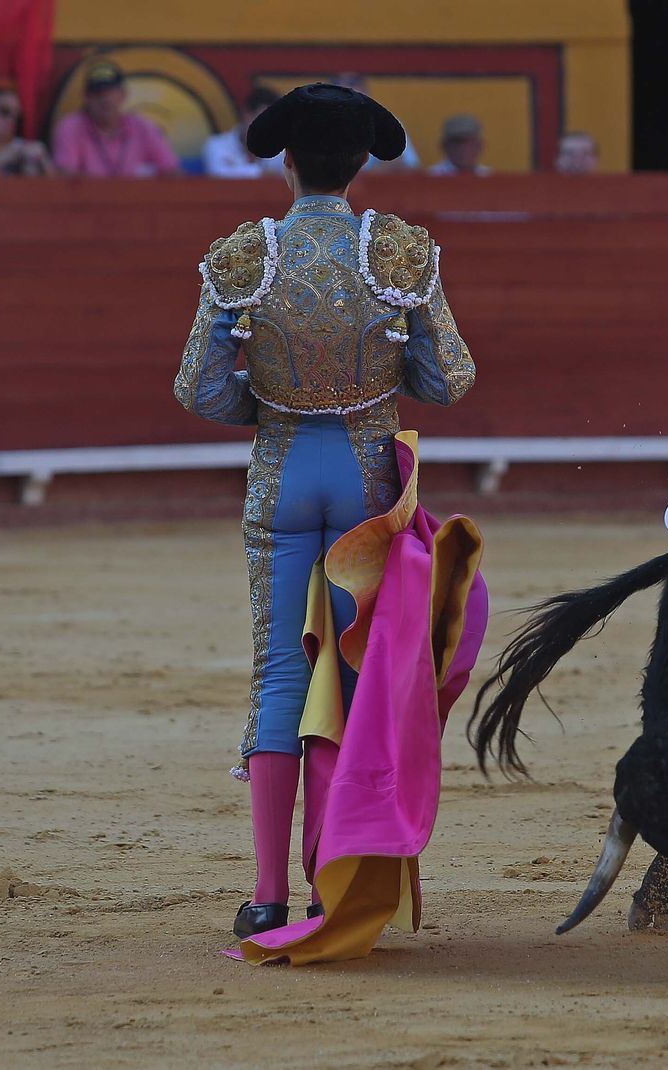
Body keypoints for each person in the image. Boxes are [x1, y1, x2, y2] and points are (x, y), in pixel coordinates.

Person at [172, 83, 476, 942]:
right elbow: (448, 377)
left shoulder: (242, 257)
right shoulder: (401, 254)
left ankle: (266, 896)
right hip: (366, 481)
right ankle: (323, 890)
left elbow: (199, 388)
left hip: (280, 472)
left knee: (281, 673)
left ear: (289, 160)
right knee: (346, 674)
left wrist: (262, 407)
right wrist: (388, 374)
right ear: (362, 164)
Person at [52, 60, 182, 178]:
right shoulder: (71, 128)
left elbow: (173, 172)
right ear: (86, 97)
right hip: (87, 202)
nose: (105, 99)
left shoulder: (143, 127)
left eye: (110, 92)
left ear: (123, 95)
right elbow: (65, 177)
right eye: (98, 93)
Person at [332, 73, 421, 171]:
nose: (349, 89)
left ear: (366, 90)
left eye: (353, 82)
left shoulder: (387, 121)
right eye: (338, 85)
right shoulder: (323, 124)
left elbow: (410, 168)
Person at [201, 86, 283, 179]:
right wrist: (261, 173)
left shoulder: (283, 152)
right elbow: (219, 175)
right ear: (246, 115)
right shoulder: (217, 145)